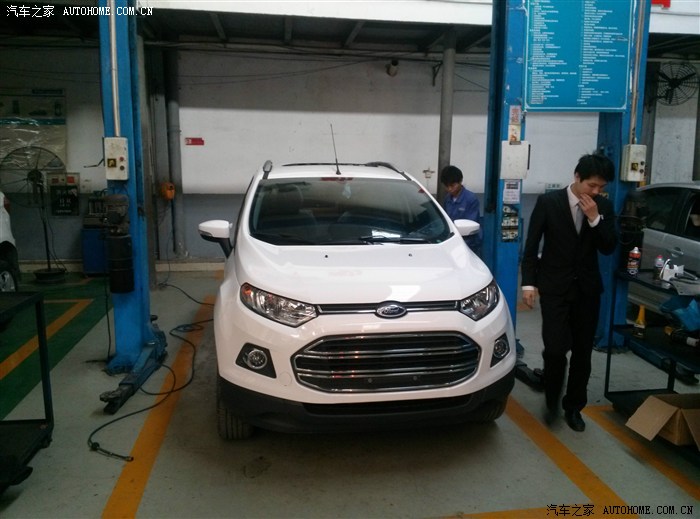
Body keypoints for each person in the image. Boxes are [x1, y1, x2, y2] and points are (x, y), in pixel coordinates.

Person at [521, 153, 617, 432]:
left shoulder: (603, 207)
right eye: (591, 185)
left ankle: (574, 407)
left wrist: (594, 219)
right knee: (554, 350)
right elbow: (532, 245)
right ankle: (551, 402)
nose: (595, 192)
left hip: (587, 290)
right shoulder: (549, 202)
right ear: (577, 177)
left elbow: (609, 246)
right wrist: (529, 284)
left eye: (601, 187)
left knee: (583, 353)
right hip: (554, 287)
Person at [440, 165, 482, 256]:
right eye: (447, 186)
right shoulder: (447, 199)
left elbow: (470, 225)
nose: (449, 189)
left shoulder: (471, 199)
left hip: (469, 244)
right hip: (452, 242)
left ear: (460, 181)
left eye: (452, 185)